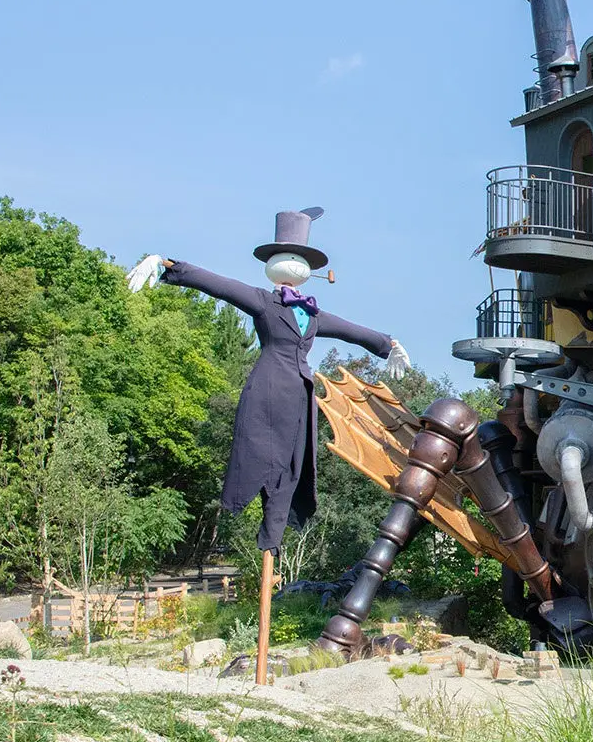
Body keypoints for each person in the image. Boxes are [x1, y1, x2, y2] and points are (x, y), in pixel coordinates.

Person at [127, 207, 408, 551]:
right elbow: (220, 286)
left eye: (300, 259)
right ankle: (253, 517)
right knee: (259, 457)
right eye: (287, 257)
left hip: (300, 399)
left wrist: (388, 344)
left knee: (292, 468)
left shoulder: (313, 315)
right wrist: (167, 265)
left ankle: (272, 541)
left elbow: (351, 330)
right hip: (267, 391)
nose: (293, 265)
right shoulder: (263, 302)